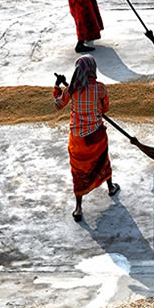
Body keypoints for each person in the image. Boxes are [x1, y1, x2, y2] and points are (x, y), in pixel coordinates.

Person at [54, 55, 120, 221]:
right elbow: (105, 109)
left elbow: (58, 104)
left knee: (79, 171)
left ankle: (78, 208)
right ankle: (110, 187)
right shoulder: (100, 89)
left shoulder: (72, 90)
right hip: (96, 136)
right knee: (103, 159)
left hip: (78, 141)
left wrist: (57, 86)